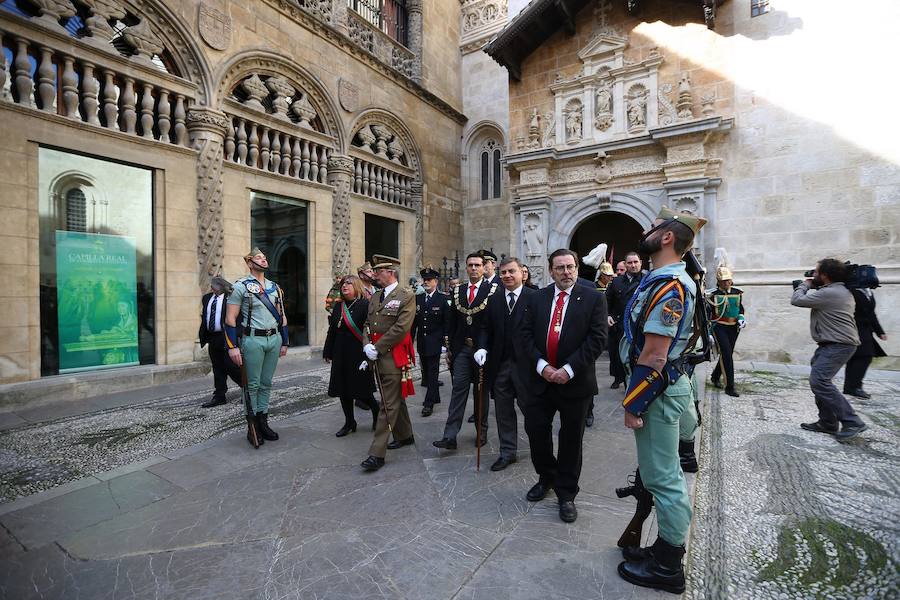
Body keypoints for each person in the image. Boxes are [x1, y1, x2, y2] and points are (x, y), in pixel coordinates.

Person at [617, 207, 705, 593]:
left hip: (656, 392)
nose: (646, 231)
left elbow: (654, 354)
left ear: (667, 237)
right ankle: (662, 549)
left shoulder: (670, 286)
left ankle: (669, 565)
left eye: (653, 227)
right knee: (661, 475)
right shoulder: (664, 279)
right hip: (664, 387)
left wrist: (633, 405)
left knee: (663, 479)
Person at [518, 249, 607, 523]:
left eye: (570, 266)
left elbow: (597, 338)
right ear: (550, 270)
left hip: (575, 382)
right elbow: (523, 335)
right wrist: (542, 366)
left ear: (577, 268)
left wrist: (568, 370)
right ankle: (547, 478)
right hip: (540, 381)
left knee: (571, 440)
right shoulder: (537, 298)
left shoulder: (594, 298)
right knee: (536, 432)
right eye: (560, 268)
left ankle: (566, 493)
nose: (566, 272)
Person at [792, 259, 867, 440]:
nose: (813, 275)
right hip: (832, 344)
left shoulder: (831, 293)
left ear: (825, 275)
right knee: (820, 380)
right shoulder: (834, 291)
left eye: (816, 272)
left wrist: (804, 285)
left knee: (819, 381)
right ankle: (827, 423)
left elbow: (797, 300)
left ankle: (852, 421)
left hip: (838, 345)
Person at [433, 252, 498, 451]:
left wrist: (488, 349)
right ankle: (450, 436)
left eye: (478, 265)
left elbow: (494, 323)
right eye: (470, 265)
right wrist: (449, 347)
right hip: (462, 349)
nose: (474, 269)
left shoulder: (492, 290)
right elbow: (451, 322)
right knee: (458, 390)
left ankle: (482, 432)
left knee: (480, 393)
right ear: (466, 268)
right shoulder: (458, 290)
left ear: (485, 267)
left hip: (482, 351)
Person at [225, 248, 288, 447]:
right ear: (250, 263)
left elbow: (282, 316)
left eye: (265, 256)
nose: (264, 259)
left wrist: (284, 341)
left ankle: (264, 422)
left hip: (274, 339)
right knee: (251, 385)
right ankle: (252, 426)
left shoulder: (275, 287)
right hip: (252, 340)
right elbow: (230, 318)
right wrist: (232, 346)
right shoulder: (240, 286)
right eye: (259, 257)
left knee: (266, 383)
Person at [360, 255, 417, 472]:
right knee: (394, 399)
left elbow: (402, 327)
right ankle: (405, 435)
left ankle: (377, 453)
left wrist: (377, 347)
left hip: (393, 357)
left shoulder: (406, 295)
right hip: (377, 355)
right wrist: (367, 345)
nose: (374, 275)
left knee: (387, 404)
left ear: (390, 272)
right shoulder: (375, 296)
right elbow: (367, 324)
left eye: (378, 272)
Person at [478, 257, 536, 471]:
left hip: (526, 367)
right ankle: (507, 452)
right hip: (500, 366)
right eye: (503, 273)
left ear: (522, 272)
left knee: (531, 410)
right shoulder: (494, 299)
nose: (507, 276)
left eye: (511, 271)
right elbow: (485, 327)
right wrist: (482, 347)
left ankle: (539, 448)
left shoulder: (535, 297)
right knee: (503, 411)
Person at [323, 275, 378, 436]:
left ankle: (376, 412)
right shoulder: (338, 306)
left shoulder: (364, 305)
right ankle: (349, 422)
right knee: (342, 389)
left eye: (349, 283)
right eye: (343, 284)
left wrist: (369, 354)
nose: (344, 286)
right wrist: (328, 351)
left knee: (363, 391)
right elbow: (332, 330)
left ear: (357, 286)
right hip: (340, 352)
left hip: (358, 353)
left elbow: (370, 332)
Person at [583, 242, 616, 427]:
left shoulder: (611, 287)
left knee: (589, 378)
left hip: (598, 334)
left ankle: (589, 410)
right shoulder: (589, 287)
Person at [411, 266, 449, 417]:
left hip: (436, 341)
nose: (425, 282)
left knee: (432, 373)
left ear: (436, 281)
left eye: (429, 280)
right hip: (422, 342)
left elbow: (447, 323)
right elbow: (413, 323)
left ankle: (429, 403)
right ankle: (435, 396)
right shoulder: (418, 299)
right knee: (426, 372)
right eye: (424, 280)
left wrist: (445, 344)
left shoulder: (443, 299)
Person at [199, 276, 242, 408]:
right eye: (212, 285)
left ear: (222, 286)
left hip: (227, 336)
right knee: (217, 368)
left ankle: (247, 389)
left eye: (215, 285)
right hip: (212, 337)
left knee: (231, 366)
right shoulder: (206, 298)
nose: (213, 287)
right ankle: (219, 396)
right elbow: (205, 315)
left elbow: (238, 318)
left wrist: (237, 336)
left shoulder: (231, 299)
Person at [707, 250, 745, 397]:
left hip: (734, 327)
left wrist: (741, 317)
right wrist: (709, 333)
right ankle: (730, 386)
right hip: (719, 327)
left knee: (726, 354)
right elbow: (709, 316)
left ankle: (715, 376)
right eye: (723, 281)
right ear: (718, 281)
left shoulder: (738, 292)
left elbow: (740, 308)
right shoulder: (713, 295)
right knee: (727, 354)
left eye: (728, 280)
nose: (726, 283)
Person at [606, 251, 646, 389]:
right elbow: (606, 302)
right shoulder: (616, 282)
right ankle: (619, 378)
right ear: (625, 264)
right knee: (617, 356)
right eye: (630, 262)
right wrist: (608, 315)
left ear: (640, 263)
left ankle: (635, 384)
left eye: (636, 262)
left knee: (638, 356)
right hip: (619, 325)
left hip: (640, 326)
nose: (633, 265)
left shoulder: (647, 281)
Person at [844, 287, 887, 399]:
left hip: (866, 330)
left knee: (858, 357)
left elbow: (871, 314)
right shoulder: (850, 290)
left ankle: (851, 387)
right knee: (864, 356)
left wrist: (879, 331)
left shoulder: (868, 292)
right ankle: (854, 387)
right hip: (854, 329)